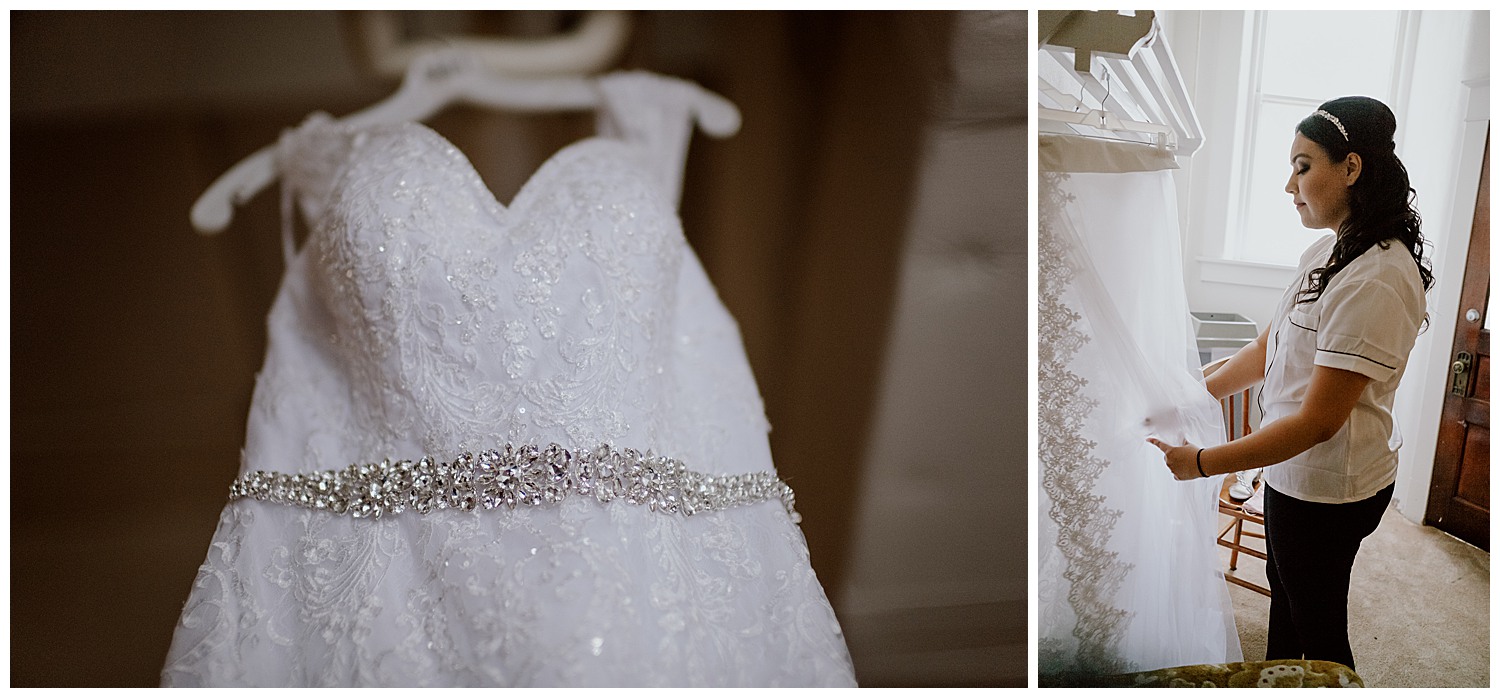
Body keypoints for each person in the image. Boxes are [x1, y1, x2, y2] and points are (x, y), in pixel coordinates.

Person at [1148, 96, 1432, 671]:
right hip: (1291, 472)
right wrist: (1187, 395)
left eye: (1303, 166)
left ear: (1351, 168)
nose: (1289, 185)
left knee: (1319, 628)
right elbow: (1264, 349)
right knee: (1286, 600)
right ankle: (1274, 680)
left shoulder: (1376, 275)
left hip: (1326, 486)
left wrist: (1201, 462)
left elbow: (1318, 422)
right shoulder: (1327, 250)